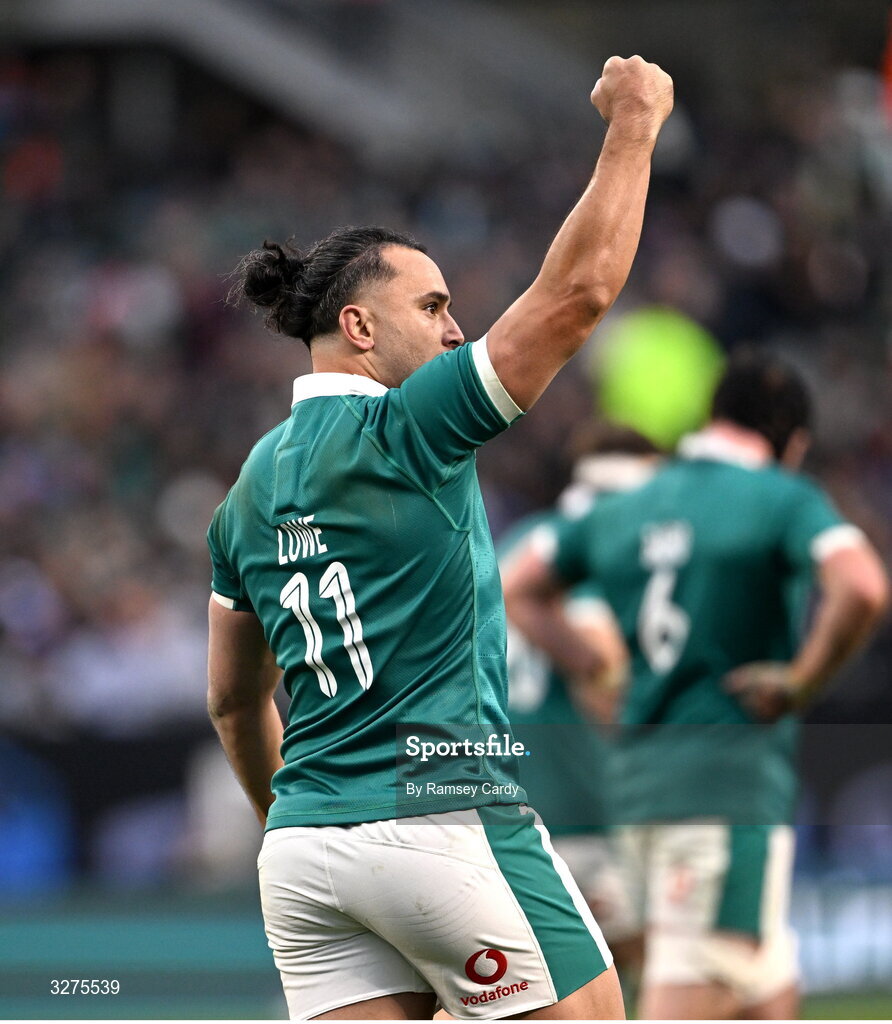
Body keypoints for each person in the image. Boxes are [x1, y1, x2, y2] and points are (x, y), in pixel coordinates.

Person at [205, 56, 673, 1021]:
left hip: (302, 855)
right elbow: (578, 294)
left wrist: (299, 821)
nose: (457, 331)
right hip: (443, 817)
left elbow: (232, 702)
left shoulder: (244, 491)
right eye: (432, 307)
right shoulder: (408, 428)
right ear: (358, 326)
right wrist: (635, 122)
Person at [502, 350, 890, 1021]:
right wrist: (801, 682)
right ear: (793, 443)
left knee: (768, 994)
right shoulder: (778, 497)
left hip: (636, 795)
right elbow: (862, 585)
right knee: (685, 999)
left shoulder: (631, 503)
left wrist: (590, 664)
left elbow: (520, 588)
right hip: (722, 797)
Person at [499, 426, 660, 953]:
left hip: (505, 799)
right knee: (654, 955)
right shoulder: (600, 546)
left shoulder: (519, 543)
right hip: (583, 803)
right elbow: (601, 679)